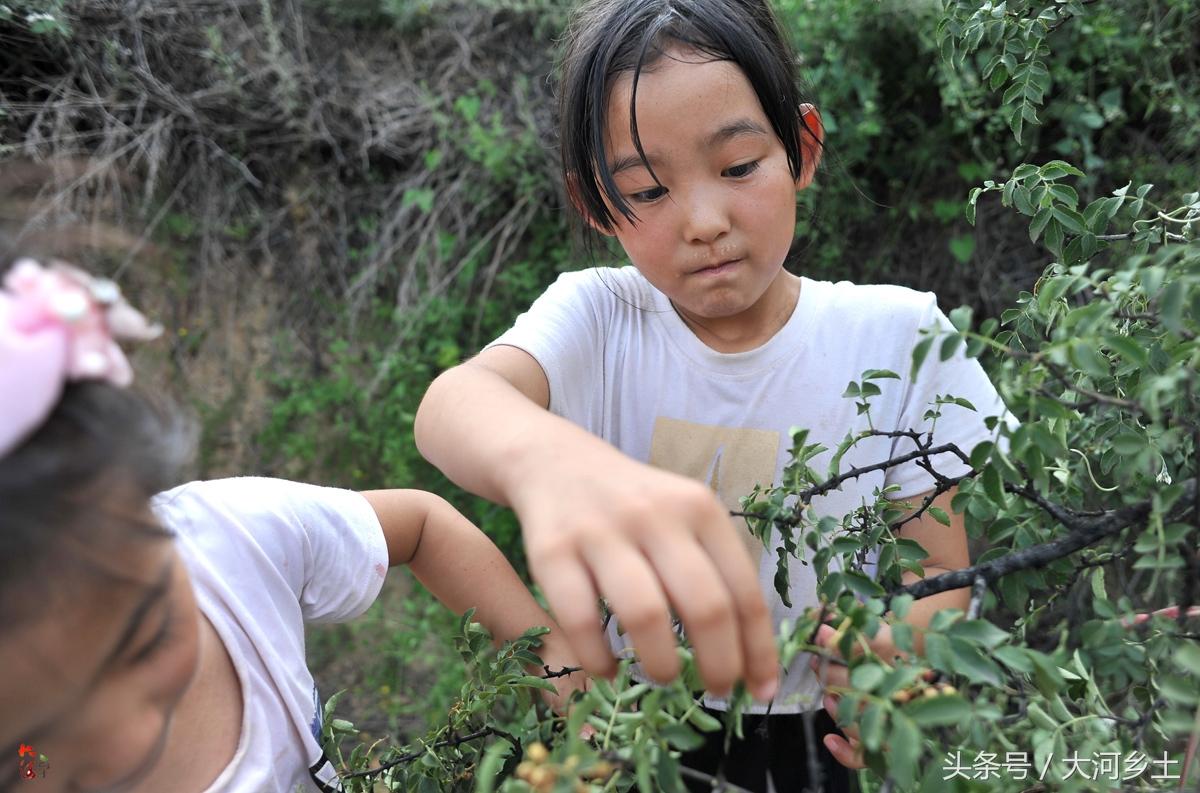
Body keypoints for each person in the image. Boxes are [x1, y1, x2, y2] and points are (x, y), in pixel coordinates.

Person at [414, 0, 1007, 790]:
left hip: (825, 744)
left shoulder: (902, 336)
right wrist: (538, 462)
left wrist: (894, 661)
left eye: (737, 168)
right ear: (597, 203)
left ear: (801, 147)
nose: (703, 220)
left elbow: (941, 576)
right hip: (635, 738)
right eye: (649, 190)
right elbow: (452, 405)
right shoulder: (598, 317)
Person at [0, 258, 583, 792]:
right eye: (58, 710)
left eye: (143, 627)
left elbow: (423, 525)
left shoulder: (229, 537)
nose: (128, 732)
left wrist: (563, 676)